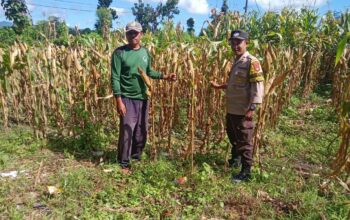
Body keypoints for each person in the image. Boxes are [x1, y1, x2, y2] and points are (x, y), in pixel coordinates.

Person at [111, 21, 176, 172]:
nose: (132, 35)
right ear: (126, 35)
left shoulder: (145, 52)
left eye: (136, 32)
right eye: (129, 33)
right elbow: (115, 77)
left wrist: (165, 76)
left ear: (141, 34)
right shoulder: (119, 53)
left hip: (143, 98)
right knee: (127, 130)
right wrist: (118, 100)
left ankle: (136, 156)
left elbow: (149, 72)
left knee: (141, 130)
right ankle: (123, 163)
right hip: (127, 98)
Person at [210, 30, 264, 182]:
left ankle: (246, 172)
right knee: (233, 136)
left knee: (244, 140)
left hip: (243, 109)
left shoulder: (251, 62)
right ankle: (236, 160)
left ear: (246, 43)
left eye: (238, 42)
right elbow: (237, 84)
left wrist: (252, 107)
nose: (235, 46)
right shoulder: (237, 61)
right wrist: (220, 86)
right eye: (233, 43)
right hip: (232, 108)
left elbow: (257, 85)